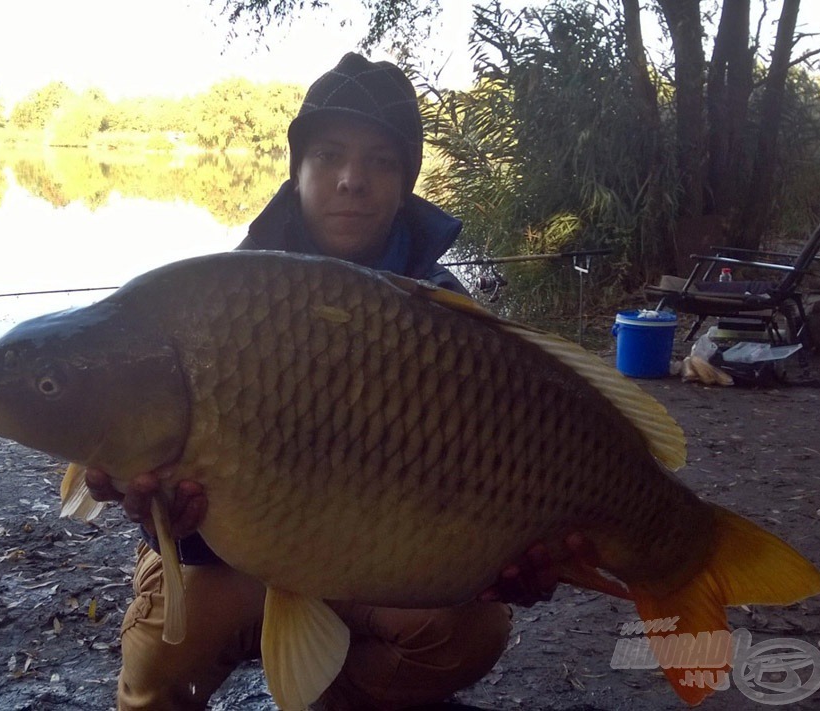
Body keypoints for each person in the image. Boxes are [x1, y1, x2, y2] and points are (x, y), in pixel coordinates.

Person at [86, 52, 596, 710]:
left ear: (406, 181)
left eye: (381, 161)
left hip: (375, 552)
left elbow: (478, 499)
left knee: (468, 628)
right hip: (233, 556)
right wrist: (164, 519)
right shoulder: (222, 299)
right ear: (296, 169)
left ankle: (343, 698)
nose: (352, 180)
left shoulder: (444, 314)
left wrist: (507, 557)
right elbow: (172, 505)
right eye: (328, 154)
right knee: (159, 659)